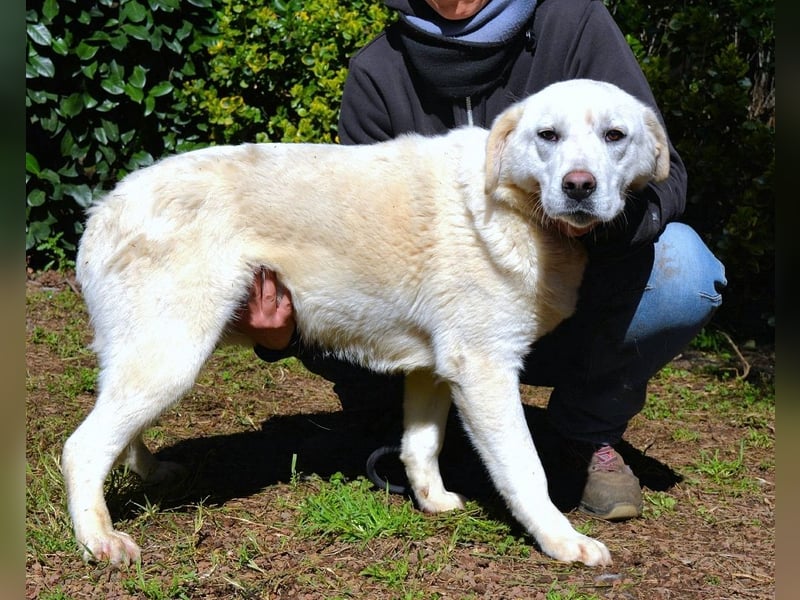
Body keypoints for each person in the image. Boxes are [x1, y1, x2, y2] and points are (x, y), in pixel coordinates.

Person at [235, 0, 727, 521]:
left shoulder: (574, 22)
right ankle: (412, 431)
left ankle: (583, 435)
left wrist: (588, 223)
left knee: (684, 268)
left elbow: (666, 176)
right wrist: (281, 337)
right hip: (444, 325)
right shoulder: (379, 70)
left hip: (580, 307)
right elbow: (352, 261)